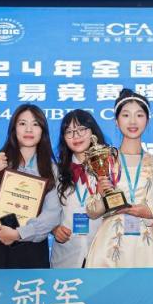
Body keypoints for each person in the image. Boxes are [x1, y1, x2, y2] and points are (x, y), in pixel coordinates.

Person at [85, 89, 153, 268]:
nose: (133, 121)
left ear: (147, 120)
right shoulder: (104, 160)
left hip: (147, 249)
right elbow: (91, 211)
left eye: (139, 115)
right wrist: (101, 196)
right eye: (126, 115)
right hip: (109, 249)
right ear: (116, 121)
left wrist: (149, 213)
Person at [0, 104, 62, 269]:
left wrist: (19, 234)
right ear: (14, 129)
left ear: (42, 131)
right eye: (22, 123)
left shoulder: (51, 169)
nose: (29, 129)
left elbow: (52, 215)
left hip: (33, 248)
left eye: (35, 124)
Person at [50, 109, 107, 268]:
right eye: (69, 132)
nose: (76, 136)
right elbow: (47, 209)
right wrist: (54, 228)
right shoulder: (56, 171)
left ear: (93, 132)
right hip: (66, 254)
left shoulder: (109, 166)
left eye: (81, 129)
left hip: (102, 254)